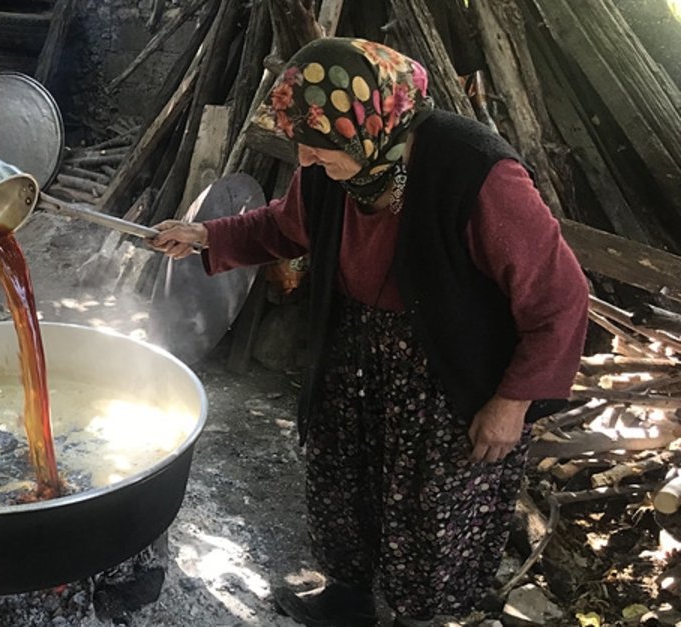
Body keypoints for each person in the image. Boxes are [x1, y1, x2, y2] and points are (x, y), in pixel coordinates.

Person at [151, 38, 588, 625]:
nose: (305, 161)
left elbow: (560, 298)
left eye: (319, 150)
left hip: (445, 370)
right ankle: (346, 599)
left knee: (429, 510)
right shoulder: (337, 163)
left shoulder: (477, 174)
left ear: (370, 127)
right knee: (340, 480)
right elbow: (286, 227)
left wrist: (511, 403)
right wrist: (206, 235)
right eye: (301, 146)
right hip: (354, 343)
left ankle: (418, 618)